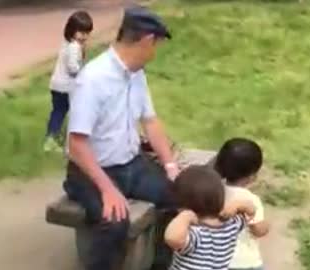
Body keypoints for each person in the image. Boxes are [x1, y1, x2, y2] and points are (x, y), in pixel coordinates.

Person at [64, 6, 178, 270]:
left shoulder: (136, 74)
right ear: (147, 40)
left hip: (131, 164)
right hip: (90, 171)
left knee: (177, 197)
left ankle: (159, 265)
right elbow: (76, 144)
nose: (155, 52)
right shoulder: (92, 79)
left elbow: (150, 121)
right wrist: (107, 189)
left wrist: (171, 166)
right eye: (156, 45)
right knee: (115, 221)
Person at [164, 165, 255, 270]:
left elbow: (172, 238)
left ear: (181, 207)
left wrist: (184, 217)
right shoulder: (232, 225)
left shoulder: (195, 234)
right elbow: (251, 210)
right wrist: (237, 205)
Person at [214, 138, 270, 270]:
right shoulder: (250, 199)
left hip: (217, 260)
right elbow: (258, 230)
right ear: (252, 176)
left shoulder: (212, 192)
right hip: (244, 262)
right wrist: (266, 226)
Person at [44, 10, 94, 152]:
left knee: (58, 112)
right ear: (72, 30)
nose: (84, 36)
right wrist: (82, 72)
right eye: (81, 32)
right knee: (74, 113)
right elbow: (72, 68)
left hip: (57, 85)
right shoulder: (74, 47)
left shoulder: (67, 43)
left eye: (87, 33)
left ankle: (52, 138)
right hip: (66, 87)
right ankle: (68, 141)